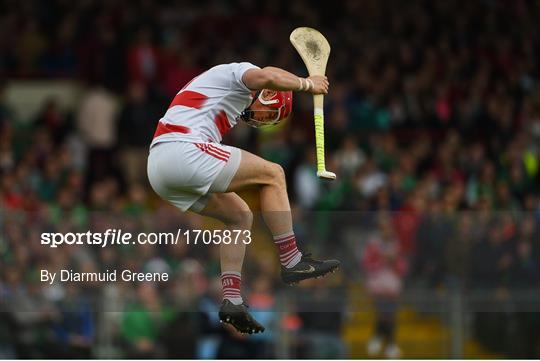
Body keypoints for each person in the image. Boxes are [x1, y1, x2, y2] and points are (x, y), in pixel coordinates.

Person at [147, 62, 340, 334]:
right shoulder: (240, 73)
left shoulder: (219, 87)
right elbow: (269, 74)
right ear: (267, 93)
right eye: (269, 113)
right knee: (273, 174)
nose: (262, 120)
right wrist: (308, 84)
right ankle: (292, 260)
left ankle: (232, 300)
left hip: (159, 169)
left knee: (240, 216)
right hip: (182, 150)